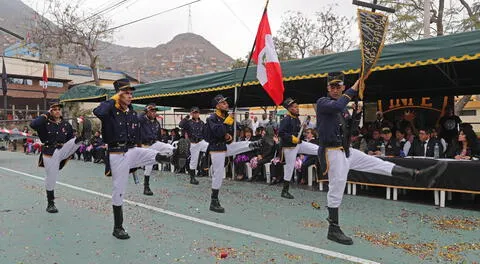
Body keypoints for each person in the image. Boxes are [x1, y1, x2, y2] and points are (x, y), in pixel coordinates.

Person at [316, 74, 447, 245]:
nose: (334, 89)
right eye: (332, 87)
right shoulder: (323, 103)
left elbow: (350, 131)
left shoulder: (343, 109)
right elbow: (338, 105)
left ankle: (417, 175)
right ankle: (333, 228)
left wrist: (355, 116)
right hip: (332, 152)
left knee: (378, 163)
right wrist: (353, 88)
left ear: (341, 87)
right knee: (337, 187)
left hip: (346, 150)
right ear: (328, 88)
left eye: (338, 86)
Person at [93, 78, 171, 239]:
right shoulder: (109, 111)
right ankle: (118, 227)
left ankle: (169, 158)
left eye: (130, 93)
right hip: (117, 153)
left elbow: (135, 134)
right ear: (118, 94)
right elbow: (97, 112)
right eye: (126, 93)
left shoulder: (132, 112)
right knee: (119, 189)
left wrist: (139, 149)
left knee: (152, 154)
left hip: (132, 149)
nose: (130, 96)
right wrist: (113, 99)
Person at [203, 94, 262, 213]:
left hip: (225, 146)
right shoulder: (212, 118)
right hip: (216, 148)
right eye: (223, 103)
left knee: (237, 145)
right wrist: (228, 121)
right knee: (218, 173)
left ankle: (251, 144)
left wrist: (229, 137)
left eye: (226, 102)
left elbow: (227, 135)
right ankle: (214, 201)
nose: (226, 104)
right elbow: (219, 132)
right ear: (217, 106)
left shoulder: (225, 117)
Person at [30, 100, 82, 213]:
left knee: (75, 141)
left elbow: (68, 139)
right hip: (50, 151)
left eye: (58, 109)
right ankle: (50, 203)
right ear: (50, 111)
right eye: (54, 109)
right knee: (51, 177)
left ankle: (81, 139)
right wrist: (46, 114)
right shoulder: (44, 123)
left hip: (63, 149)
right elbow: (33, 125)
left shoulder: (65, 124)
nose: (57, 111)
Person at [278, 97, 319, 199]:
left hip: (298, 144)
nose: (297, 108)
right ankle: (285, 191)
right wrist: (292, 138)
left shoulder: (296, 118)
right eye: (295, 107)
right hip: (290, 147)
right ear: (290, 108)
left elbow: (297, 133)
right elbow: (281, 133)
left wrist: (303, 129)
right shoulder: (286, 119)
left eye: (297, 107)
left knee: (317, 149)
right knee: (289, 168)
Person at [139, 103, 175, 195]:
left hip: (154, 143)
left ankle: (174, 156)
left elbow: (158, 136)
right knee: (149, 167)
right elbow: (137, 118)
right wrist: (144, 112)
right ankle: (146, 187)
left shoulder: (157, 123)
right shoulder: (142, 120)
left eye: (155, 111)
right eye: (152, 111)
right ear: (147, 112)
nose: (154, 112)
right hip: (144, 146)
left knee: (169, 147)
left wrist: (159, 146)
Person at [179, 107, 206, 184]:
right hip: (193, 143)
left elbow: (205, 132)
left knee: (211, 148)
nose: (195, 114)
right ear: (191, 113)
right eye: (194, 112)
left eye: (197, 112)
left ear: (199, 113)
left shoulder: (202, 123)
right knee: (194, 160)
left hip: (201, 141)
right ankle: (192, 178)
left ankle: (204, 167)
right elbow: (180, 125)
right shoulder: (188, 122)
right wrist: (187, 117)